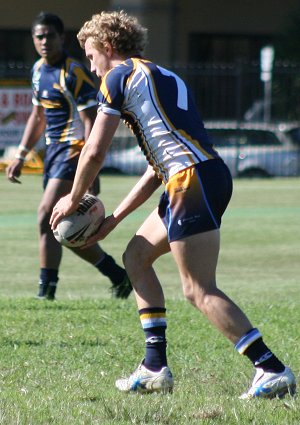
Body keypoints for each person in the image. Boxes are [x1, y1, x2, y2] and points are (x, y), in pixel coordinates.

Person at [50, 11, 296, 398]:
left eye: (91, 55)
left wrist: (72, 198)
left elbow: (94, 150)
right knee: (136, 257)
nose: (91, 67)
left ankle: (270, 368)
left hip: (190, 180)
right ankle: (153, 368)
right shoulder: (162, 76)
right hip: (197, 175)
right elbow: (155, 171)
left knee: (197, 289)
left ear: (108, 47)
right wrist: (113, 219)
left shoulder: (118, 76)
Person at [6, 11, 132, 300]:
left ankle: (46, 291)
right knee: (67, 229)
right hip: (52, 154)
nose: (44, 41)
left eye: (50, 35)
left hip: (73, 153)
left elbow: (91, 121)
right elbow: (38, 116)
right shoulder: (38, 70)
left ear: (61, 37)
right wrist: (21, 155)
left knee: (45, 218)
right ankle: (117, 275)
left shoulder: (73, 71)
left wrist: (90, 171)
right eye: (39, 36)